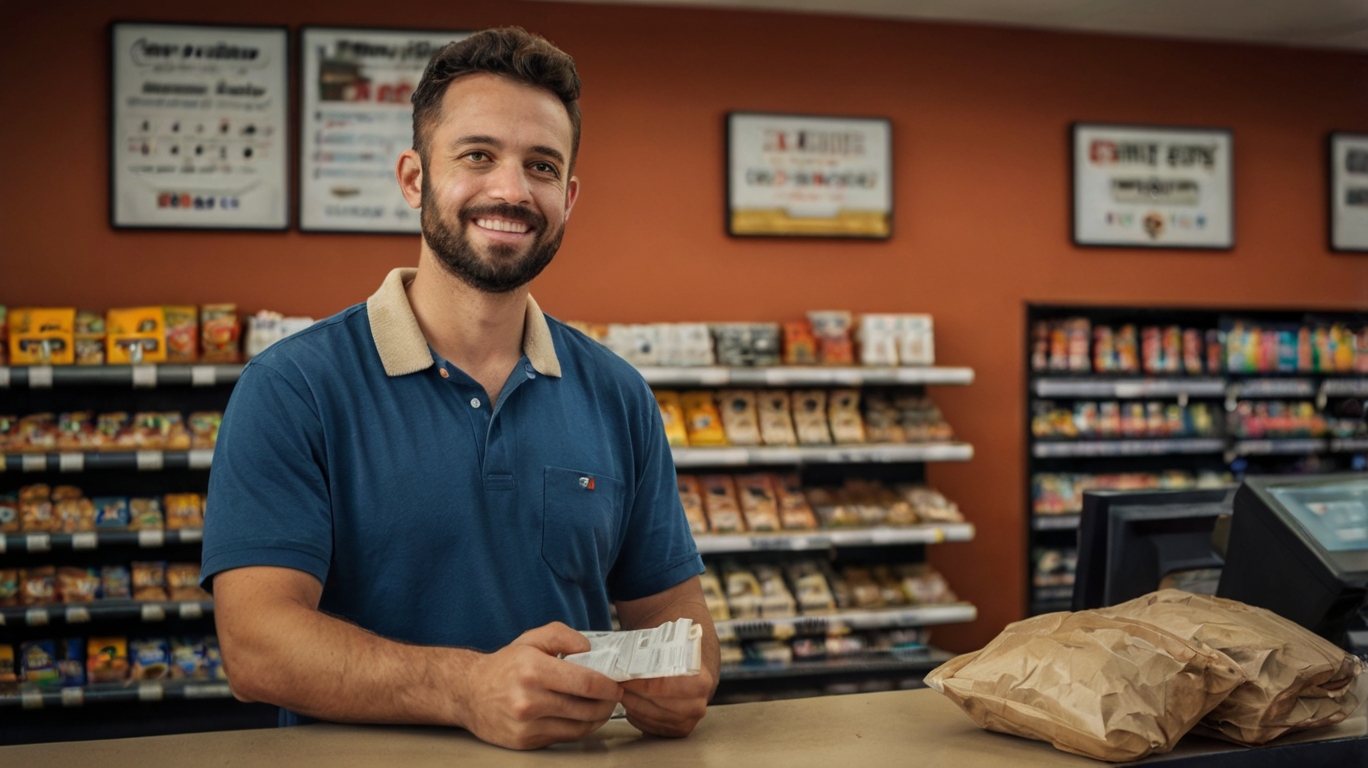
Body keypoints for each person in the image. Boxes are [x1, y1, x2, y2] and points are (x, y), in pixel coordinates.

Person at [201, 27, 719, 751]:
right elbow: (256, 647)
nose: (512, 190)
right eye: (478, 155)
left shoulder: (618, 393)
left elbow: (677, 615)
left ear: (568, 197)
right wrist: (466, 689)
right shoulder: (293, 389)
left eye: (541, 166)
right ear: (414, 178)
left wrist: (687, 672)